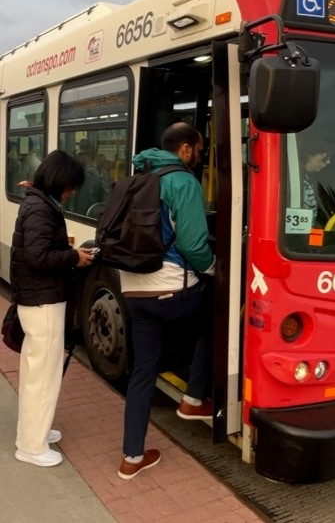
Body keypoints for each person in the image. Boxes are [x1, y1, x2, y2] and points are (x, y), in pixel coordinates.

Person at [118, 122, 215, 480]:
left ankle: (131, 457)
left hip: (134, 291)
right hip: (172, 290)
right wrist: (214, 269)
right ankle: (192, 401)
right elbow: (192, 245)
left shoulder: (136, 176)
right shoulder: (182, 181)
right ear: (186, 148)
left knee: (143, 371)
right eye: (200, 149)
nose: (200, 156)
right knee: (216, 319)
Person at [10, 150, 95, 467]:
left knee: (38, 373)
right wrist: (75, 257)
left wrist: (72, 253)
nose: (72, 192)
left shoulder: (37, 203)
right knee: (43, 376)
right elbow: (39, 257)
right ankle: (31, 447)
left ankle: (34, 433)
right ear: (60, 181)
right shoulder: (40, 209)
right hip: (43, 300)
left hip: (38, 298)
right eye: (71, 186)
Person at [298, 137, 334, 227]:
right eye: (324, 158)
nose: (328, 162)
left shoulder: (310, 178)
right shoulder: (294, 179)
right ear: (310, 155)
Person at [70, 140, 104, 215]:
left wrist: (78, 215)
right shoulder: (95, 170)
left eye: (80, 155)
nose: (78, 157)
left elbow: (85, 198)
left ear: (86, 156)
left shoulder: (90, 173)